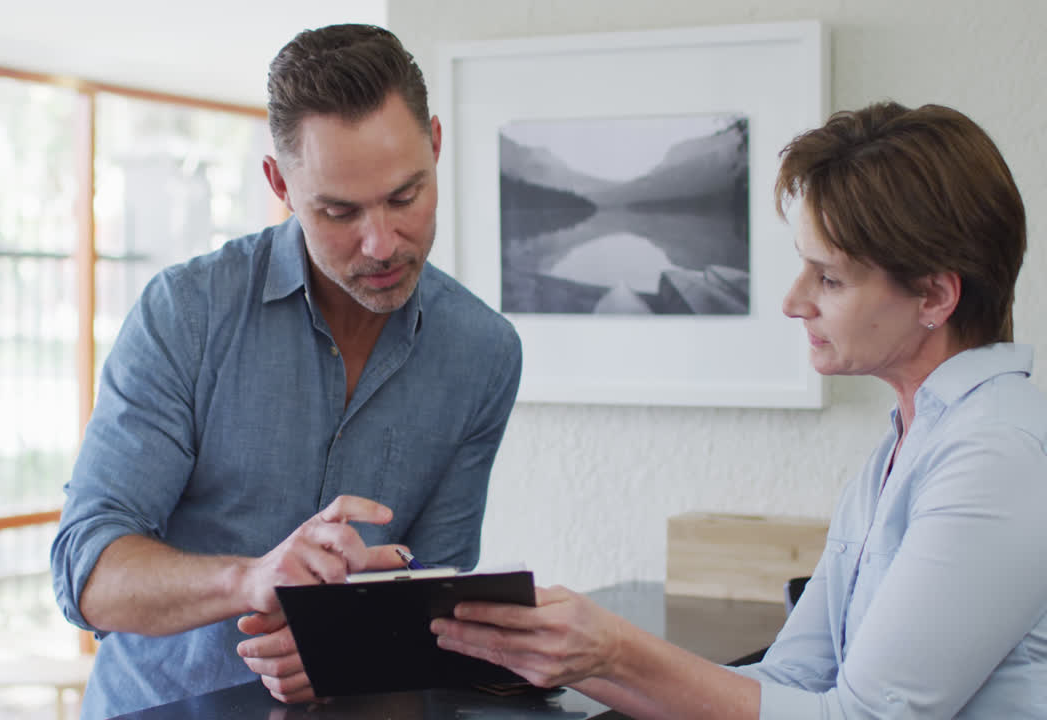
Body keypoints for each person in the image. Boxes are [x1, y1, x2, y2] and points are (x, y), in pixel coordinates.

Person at [430, 101, 1047, 718]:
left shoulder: (994, 456)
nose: (793, 301)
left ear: (934, 296)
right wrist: (572, 658)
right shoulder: (906, 445)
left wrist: (614, 652)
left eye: (829, 279)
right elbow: (791, 680)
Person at [50, 23, 523, 719]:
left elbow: (432, 602)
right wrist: (249, 580)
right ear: (280, 183)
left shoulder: (484, 353)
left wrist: (348, 649)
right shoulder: (187, 314)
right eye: (339, 211)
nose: (381, 243)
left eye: (404, 197)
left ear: (435, 146)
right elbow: (86, 573)